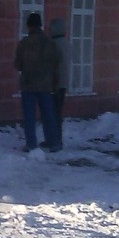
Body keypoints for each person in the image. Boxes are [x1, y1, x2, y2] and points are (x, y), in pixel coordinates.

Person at [14, 12, 60, 152]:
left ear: (29, 26)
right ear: (40, 25)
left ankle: (31, 144)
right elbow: (56, 64)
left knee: (29, 116)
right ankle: (53, 142)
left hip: (28, 84)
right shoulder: (50, 43)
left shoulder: (24, 44)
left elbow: (17, 65)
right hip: (45, 84)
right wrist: (54, 84)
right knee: (48, 114)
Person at [49, 17, 69, 150]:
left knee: (53, 113)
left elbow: (51, 64)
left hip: (54, 83)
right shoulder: (67, 43)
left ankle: (55, 140)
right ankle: (56, 139)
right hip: (63, 82)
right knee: (57, 112)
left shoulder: (54, 44)